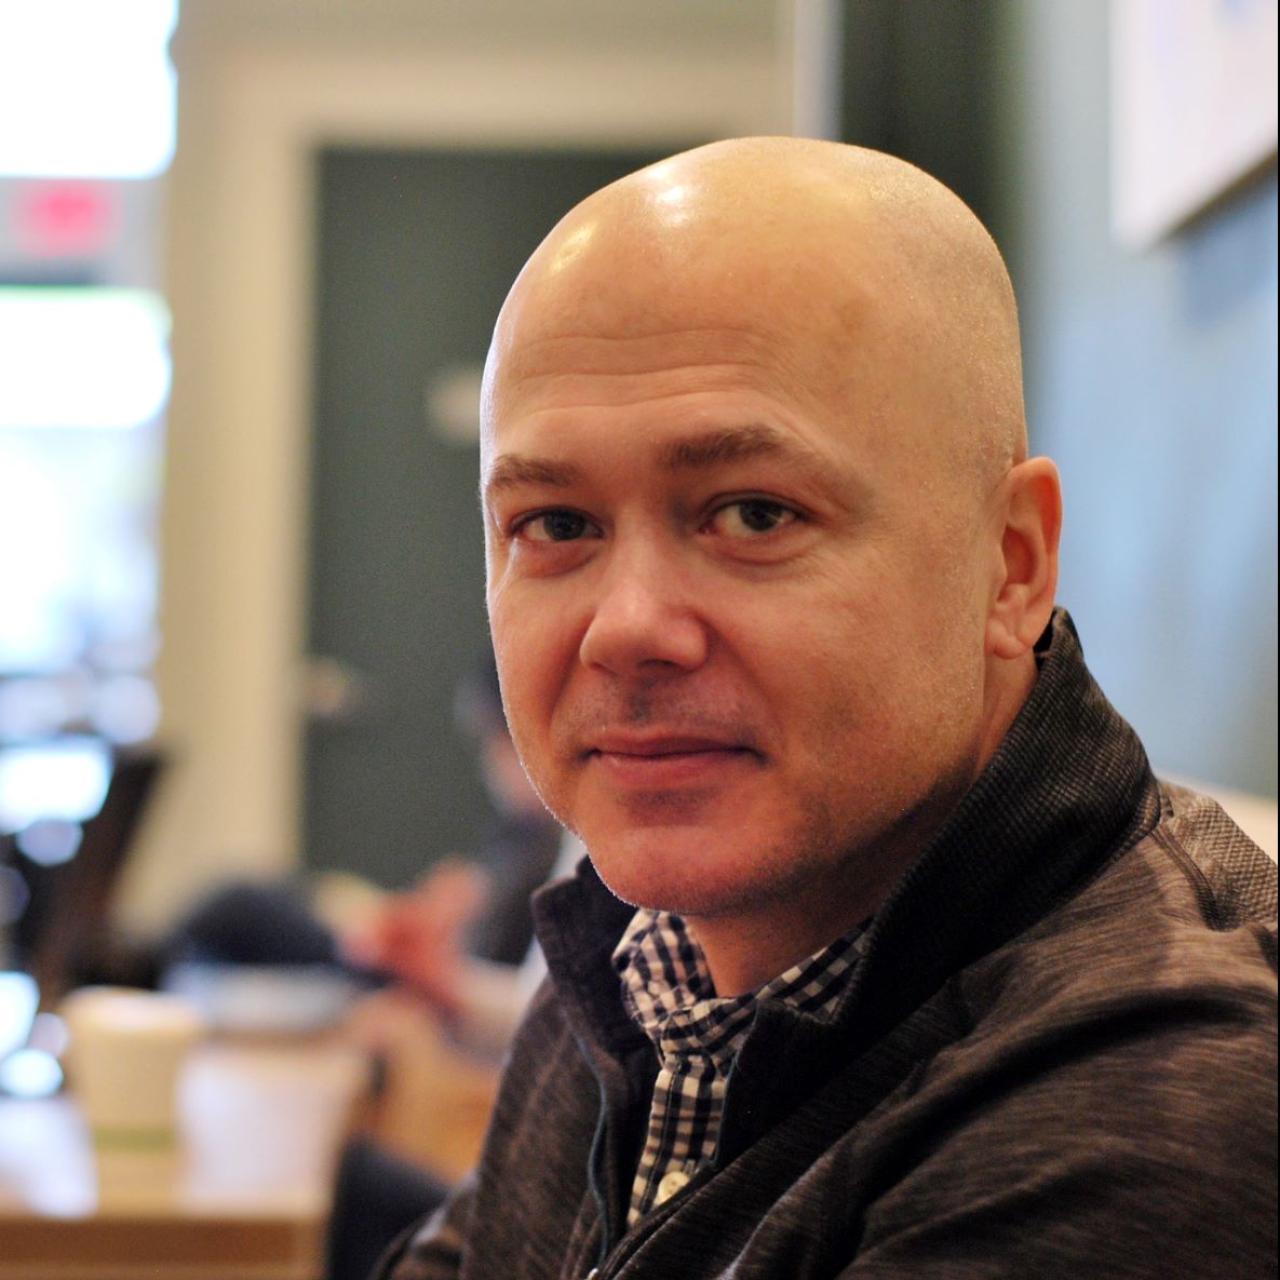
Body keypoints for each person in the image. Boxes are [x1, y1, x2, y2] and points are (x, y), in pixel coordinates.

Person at [376, 138, 1277, 1279]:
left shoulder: (1151, 1109)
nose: (626, 626)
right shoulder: (628, 953)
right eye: (554, 524)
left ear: (1009, 564)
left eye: (751, 512)